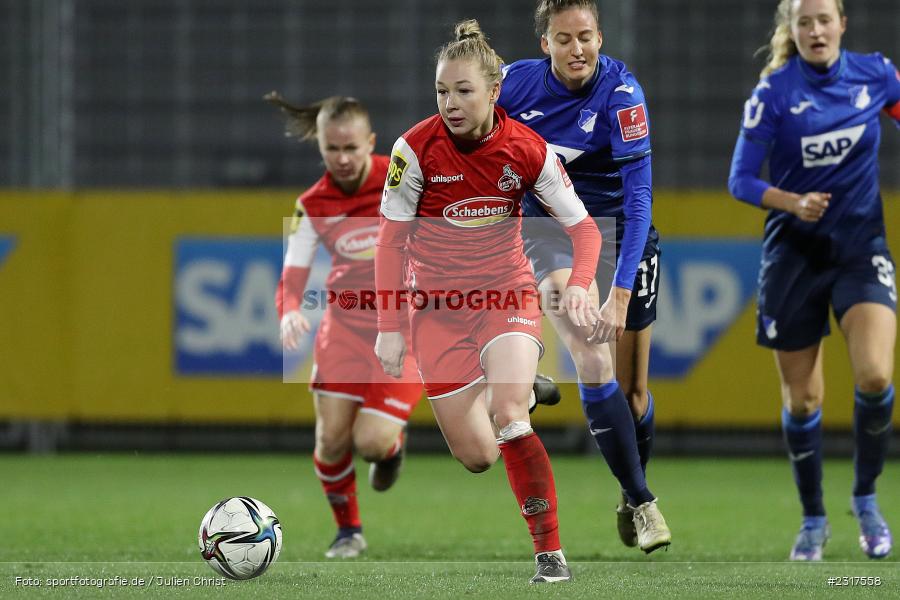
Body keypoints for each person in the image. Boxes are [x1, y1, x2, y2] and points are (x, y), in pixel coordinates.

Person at [375, 19, 603, 584]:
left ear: (495, 90)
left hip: (506, 294)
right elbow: (389, 241)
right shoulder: (414, 150)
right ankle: (523, 388)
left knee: (508, 419)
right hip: (436, 310)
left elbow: (586, 230)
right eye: (441, 92)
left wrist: (578, 284)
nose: (450, 103)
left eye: (464, 91)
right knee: (477, 456)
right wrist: (389, 326)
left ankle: (550, 555)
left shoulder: (527, 150)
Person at [728, 0, 900, 561]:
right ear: (792, 30)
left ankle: (867, 501)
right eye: (805, 22)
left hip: (859, 248)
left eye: (825, 19)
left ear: (842, 25)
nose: (816, 30)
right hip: (794, 255)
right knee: (804, 402)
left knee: (875, 376)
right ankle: (813, 519)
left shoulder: (875, 74)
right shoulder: (773, 94)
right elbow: (740, 180)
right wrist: (792, 202)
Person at [497, 0, 671, 553]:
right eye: (564, 38)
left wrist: (619, 293)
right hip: (551, 230)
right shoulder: (512, 87)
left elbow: (640, 199)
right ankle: (645, 504)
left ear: (600, 38)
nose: (578, 50)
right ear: (544, 44)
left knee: (636, 394)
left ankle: (628, 490)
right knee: (590, 351)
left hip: (622, 234)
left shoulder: (623, 95)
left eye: (587, 37)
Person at [268, 92, 424, 559]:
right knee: (331, 441)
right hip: (344, 327)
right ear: (319, 147)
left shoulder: (404, 178)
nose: (342, 158)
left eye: (351, 148)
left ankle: (391, 448)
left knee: (371, 444)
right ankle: (348, 531)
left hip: (406, 328)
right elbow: (292, 275)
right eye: (331, 149)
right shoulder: (312, 204)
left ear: (370, 142)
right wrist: (290, 310)